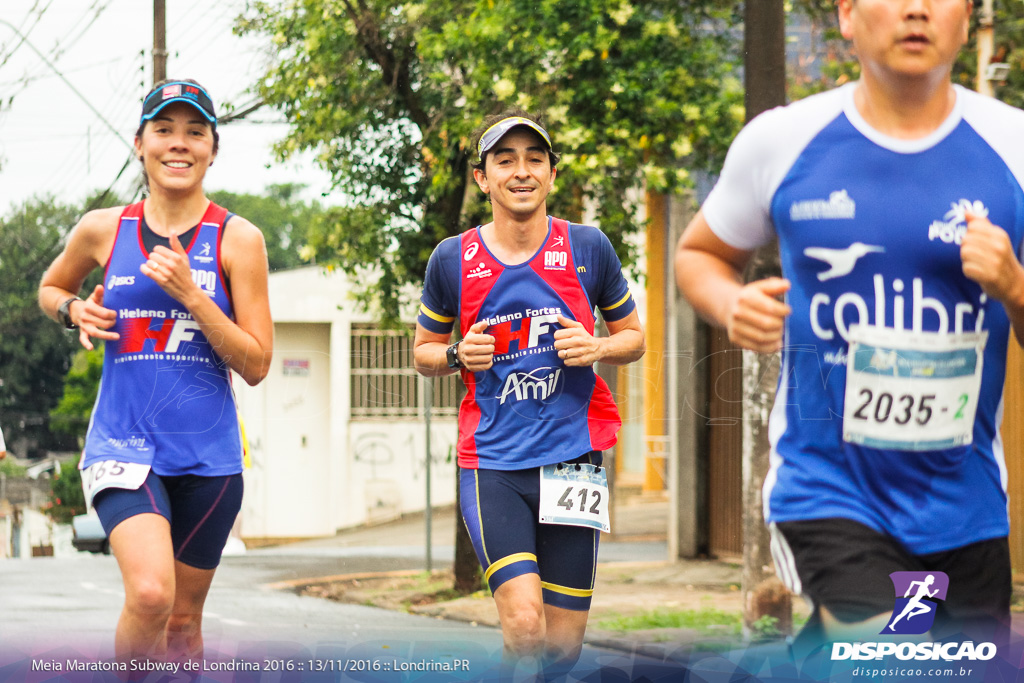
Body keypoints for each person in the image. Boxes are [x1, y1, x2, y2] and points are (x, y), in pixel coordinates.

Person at [675, 0, 1024, 651]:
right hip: (829, 487)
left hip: (966, 500)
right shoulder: (782, 140)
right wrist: (729, 304)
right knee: (887, 656)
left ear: (970, 15)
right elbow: (698, 255)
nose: (916, 9)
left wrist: (1014, 285)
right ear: (846, 15)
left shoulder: (1014, 146)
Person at [38, 79, 273, 665]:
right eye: (163, 130)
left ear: (212, 150)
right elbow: (51, 286)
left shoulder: (238, 239)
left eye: (195, 132)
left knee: (184, 623)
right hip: (123, 446)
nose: (179, 144)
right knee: (150, 595)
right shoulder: (103, 229)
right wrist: (72, 310)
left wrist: (193, 295)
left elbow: (257, 363)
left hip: (209, 458)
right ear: (139, 143)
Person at [414, 110, 645, 677]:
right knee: (523, 626)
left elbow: (635, 339)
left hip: (573, 463)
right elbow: (423, 352)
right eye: (505, 160)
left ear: (552, 174)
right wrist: (453, 355)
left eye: (534, 160)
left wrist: (596, 348)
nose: (521, 172)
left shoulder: (589, 248)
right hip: (493, 464)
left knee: (562, 651)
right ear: (482, 178)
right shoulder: (452, 259)